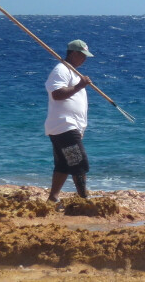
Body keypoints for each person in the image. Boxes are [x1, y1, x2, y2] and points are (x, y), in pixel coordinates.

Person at [44, 39, 94, 202]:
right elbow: (57, 94)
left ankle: (53, 197)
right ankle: (84, 199)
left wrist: (80, 129)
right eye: (82, 55)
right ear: (73, 53)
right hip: (64, 125)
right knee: (79, 162)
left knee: (64, 164)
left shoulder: (73, 72)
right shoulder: (61, 70)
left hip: (68, 127)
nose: (84, 59)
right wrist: (80, 86)